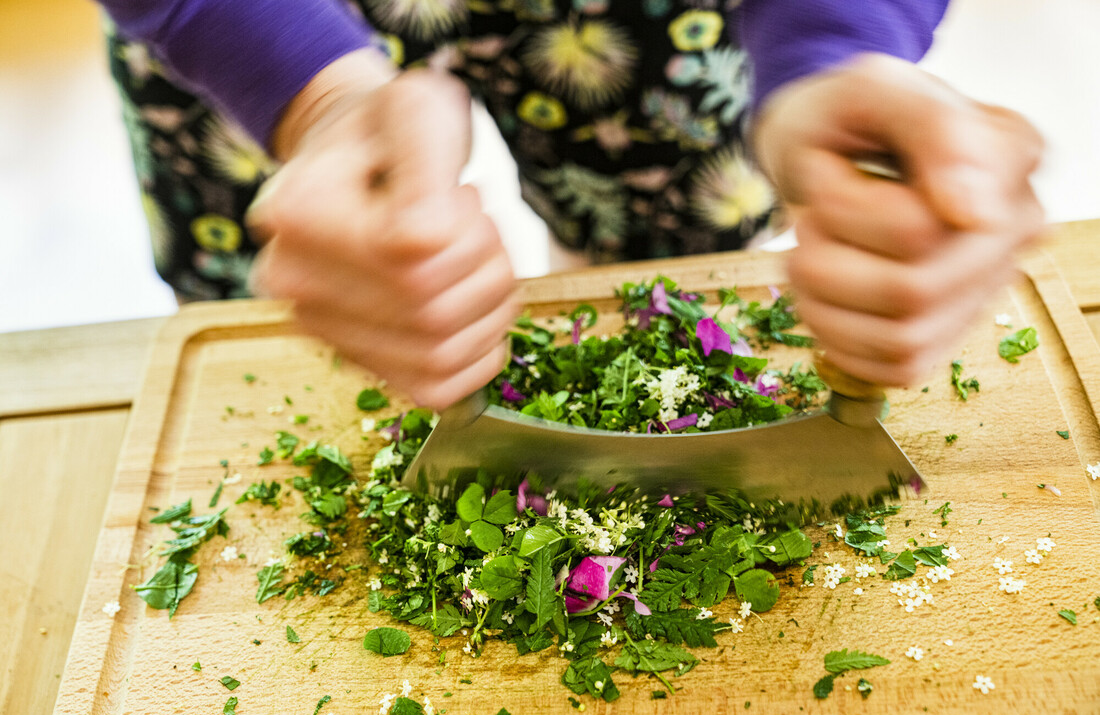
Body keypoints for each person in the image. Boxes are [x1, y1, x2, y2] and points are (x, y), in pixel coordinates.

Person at [99, 1, 1044, 410]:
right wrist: (312, 98)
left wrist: (836, 43)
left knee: (663, 289)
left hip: (643, 22)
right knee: (272, 326)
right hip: (240, 28)